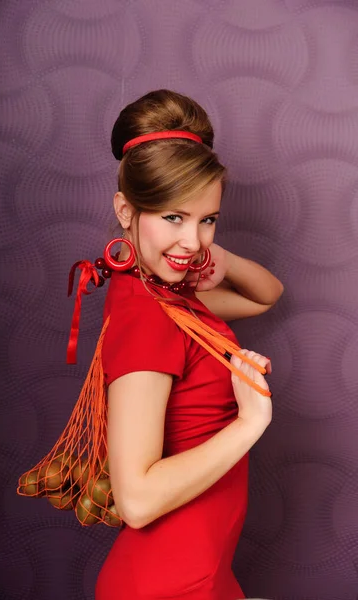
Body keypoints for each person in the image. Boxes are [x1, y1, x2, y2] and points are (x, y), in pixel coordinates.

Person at [92, 89, 284, 600]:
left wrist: (220, 256)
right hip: (169, 584)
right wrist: (250, 424)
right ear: (126, 210)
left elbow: (267, 297)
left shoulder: (163, 293)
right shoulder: (148, 317)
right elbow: (135, 499)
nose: (193, 242)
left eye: (208, 218)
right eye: (173, 217)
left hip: (201, 574)